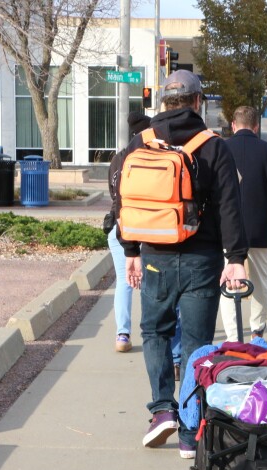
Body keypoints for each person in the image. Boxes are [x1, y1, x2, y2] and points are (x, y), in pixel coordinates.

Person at [114, 69, 249, 458]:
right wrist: (236, 259)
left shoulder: (141, 141)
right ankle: (191, 431)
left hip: (154, 255)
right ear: (196, 101)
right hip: (201, 259)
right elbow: (230, 208)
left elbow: (122, 198)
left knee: (155, 331)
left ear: (163, 102)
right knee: (196, 343)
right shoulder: (213, 145)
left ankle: (161, 411)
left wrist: (131, 250)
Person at [219, 106, 267, 341]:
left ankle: (232, 336)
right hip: (261, 227)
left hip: (227, 230)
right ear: (256, 127)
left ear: (233, 125)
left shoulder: (221, 149)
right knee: (261, 280)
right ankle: (257, 330)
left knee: (229, 282)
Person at [106, 111, 151, 353]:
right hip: (143, 227)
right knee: (148, 281)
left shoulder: (117, 159)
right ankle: (151, 330)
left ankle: (122, 334)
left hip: (118, 226)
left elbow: (114, 196)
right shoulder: (148, 158)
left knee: (124, 281)